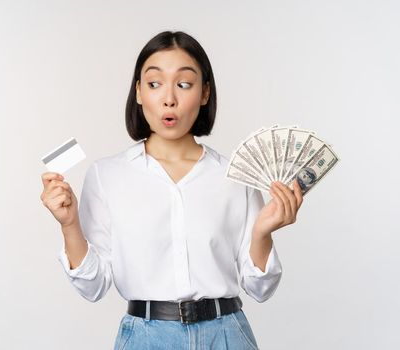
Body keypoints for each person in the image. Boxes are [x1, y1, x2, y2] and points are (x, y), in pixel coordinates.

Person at [39, 31, 303, 349]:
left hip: (226, 335)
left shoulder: (235, 176)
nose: (169, 99)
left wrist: (262, 233)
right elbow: (93, 287)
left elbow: (260, 289)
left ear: (204, 93)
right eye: (154, 84)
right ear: (138, 92)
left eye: (184, 84)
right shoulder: (107, 174)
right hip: (146, 338)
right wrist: (69, 225)